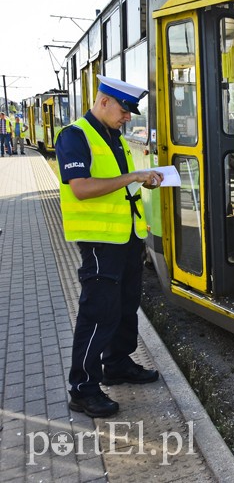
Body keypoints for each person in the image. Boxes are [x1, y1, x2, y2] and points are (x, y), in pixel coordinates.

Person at [56, 75, 164, 418]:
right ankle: (82, 389)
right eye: (124, 109)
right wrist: (134, 177)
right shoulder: (74, 136)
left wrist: (146, 180)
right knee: (98, 314)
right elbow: (82, 188)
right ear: (104, 102)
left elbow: (117, 187)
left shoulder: (113, 136)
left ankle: (116, 364)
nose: (128, 117)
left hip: (127, 238)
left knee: (125, 307)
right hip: (100, 243)